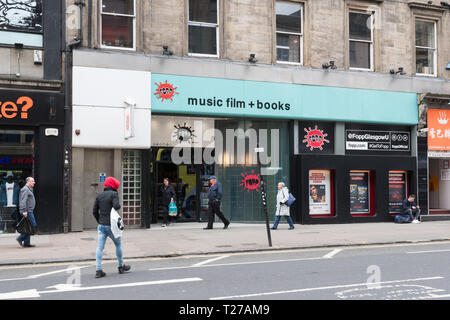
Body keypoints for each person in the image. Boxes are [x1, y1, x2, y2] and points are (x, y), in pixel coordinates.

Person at [93, 176, 131, 278]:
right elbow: (116, 206)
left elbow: (94, 211)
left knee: (100, 248)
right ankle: (120, 266)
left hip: (101, 226)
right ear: (113, 186)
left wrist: (99, 221)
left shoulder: (99, 195)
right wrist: (118, 204)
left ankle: (98, 270)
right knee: (118, 245)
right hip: (111, 226)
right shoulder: (114, 194)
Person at [16, 177, 37, 248]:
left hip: (29, 211)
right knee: (33, 225)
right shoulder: (25, 189)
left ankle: (26, 243)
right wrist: (24, 211)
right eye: (33, 181)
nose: (34, 182)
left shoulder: (29, 189)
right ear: (28, 182)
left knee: (28, 226)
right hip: (27, 211)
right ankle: (20, 238)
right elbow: (23, 201)